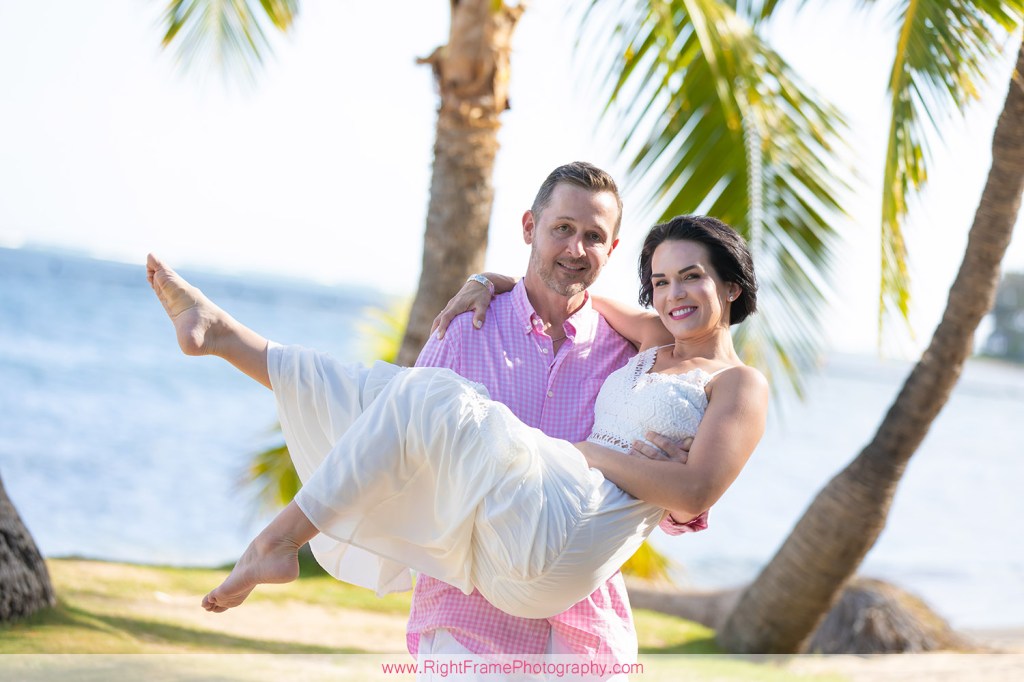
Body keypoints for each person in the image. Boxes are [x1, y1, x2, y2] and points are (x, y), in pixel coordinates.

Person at [145, 213, 768, 624]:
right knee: (391, 393)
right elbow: (565, 290)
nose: (673, 294)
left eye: (692, 278)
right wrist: (488, 279)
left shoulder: (739, 383)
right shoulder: (652, 339)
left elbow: (695, 494)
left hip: (576, 534)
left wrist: (590, 453)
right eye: (661, 281)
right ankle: (224, 337)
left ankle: (275, 542)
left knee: (434, 396)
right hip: (535, 521)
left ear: (732, 287)